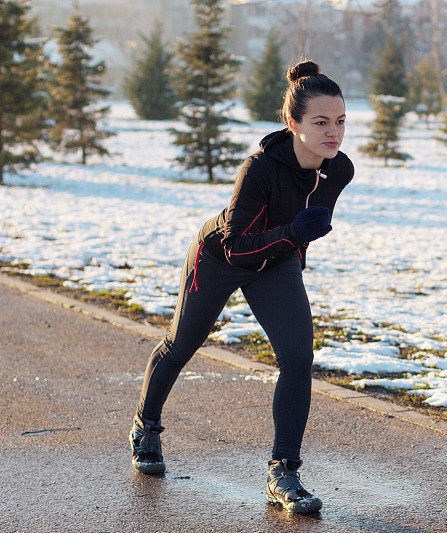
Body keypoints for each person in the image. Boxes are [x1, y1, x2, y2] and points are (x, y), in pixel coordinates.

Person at [129, 60, 353, 514]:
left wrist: (295, 247)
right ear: (293, 123)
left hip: (278, 260)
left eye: (342, 121)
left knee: (298, 357)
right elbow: (237, 249)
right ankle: (146, 427)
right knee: (182, 344)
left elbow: (303, 223)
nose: (335, 132)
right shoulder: (258, 170)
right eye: (322, 122)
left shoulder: (339, 169)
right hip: (220, 258)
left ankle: (283, 473)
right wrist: (295, 232)